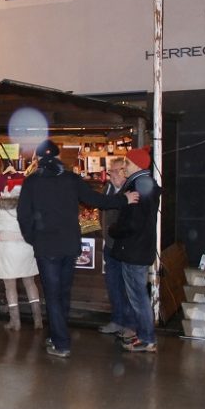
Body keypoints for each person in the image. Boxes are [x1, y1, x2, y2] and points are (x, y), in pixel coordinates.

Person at [17, 140, 137, 358]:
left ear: (38, 158)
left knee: (52, 295)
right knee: (63, 293)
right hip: (70, 244)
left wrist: (33, 238)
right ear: (58, 156)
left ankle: (61, 343)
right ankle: (57, 335)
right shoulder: (71, 179)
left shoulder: (32, 182)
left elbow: (23, 215)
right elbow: (95, 199)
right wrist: (124, 199)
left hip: (46, 246)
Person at [108, 147, 160, 353]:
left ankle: (147, 338)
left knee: (138, 297)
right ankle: (144, 335)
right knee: (139, 295)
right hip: (140, 248)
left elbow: (133, 222)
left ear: (137, 164)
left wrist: (114, 230)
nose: (124, 167)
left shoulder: (137, 187)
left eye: (127, 164)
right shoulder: (146, 184)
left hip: (133, 249)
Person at [0, 183, 43, 331]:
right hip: (26, 247)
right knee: (30, 282)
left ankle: (15, 322)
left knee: (10, 286)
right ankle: (38, 320)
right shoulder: (29, 207)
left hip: (7, 248)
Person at [98, 157, 136, 336]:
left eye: (113, 171)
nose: (110, 175)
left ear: (123, 171)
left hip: (125, 247)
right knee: (113, 284)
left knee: (127, 286)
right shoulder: (107, 189)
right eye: (111, 171)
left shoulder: (132, 192)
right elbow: (101, 212)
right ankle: (117, 320)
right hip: (109, 245)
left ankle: (130, 324)